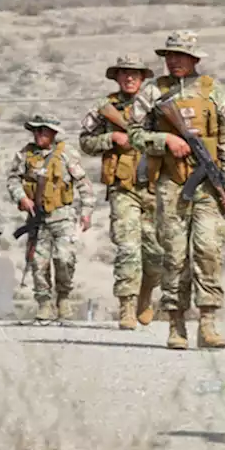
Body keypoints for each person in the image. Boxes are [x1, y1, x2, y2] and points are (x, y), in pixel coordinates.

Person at [127, 31, 225, 350]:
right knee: (175, 255)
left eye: (180, 55)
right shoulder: (153, 91)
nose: (173, 60)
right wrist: (165, 141)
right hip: (170, 183)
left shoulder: (214, 91)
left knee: (207, 249)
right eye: (169, 55)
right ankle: (176, 324)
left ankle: (207, 322)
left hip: (209, 184)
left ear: (195, 58)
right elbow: (133, 134)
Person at [78, 54, 164, 330]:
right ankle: (126, 307)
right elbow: (85, 142)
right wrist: (111, 138)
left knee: (156, 254)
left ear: (142, 78)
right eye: (124, 74)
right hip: (122, 188)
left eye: (135, 74)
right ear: (116, 77)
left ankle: (145, 296)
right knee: (128, 248)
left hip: (156, 187)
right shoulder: (106, 107)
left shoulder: (158, 106)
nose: (129, 78)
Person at [6, 114, 94, 324]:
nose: (38, 135)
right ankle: (44, 303)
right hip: (37, 218)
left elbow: (83, 183)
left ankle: (63, 298)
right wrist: (22, 197)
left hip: (63, 216)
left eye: (43, 131)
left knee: (64, 259)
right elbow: (12, 180)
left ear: (53, 133)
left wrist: (87, 211)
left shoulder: (66, 154)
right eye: (36, 131)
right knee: (38, 263)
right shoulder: (25, 155)